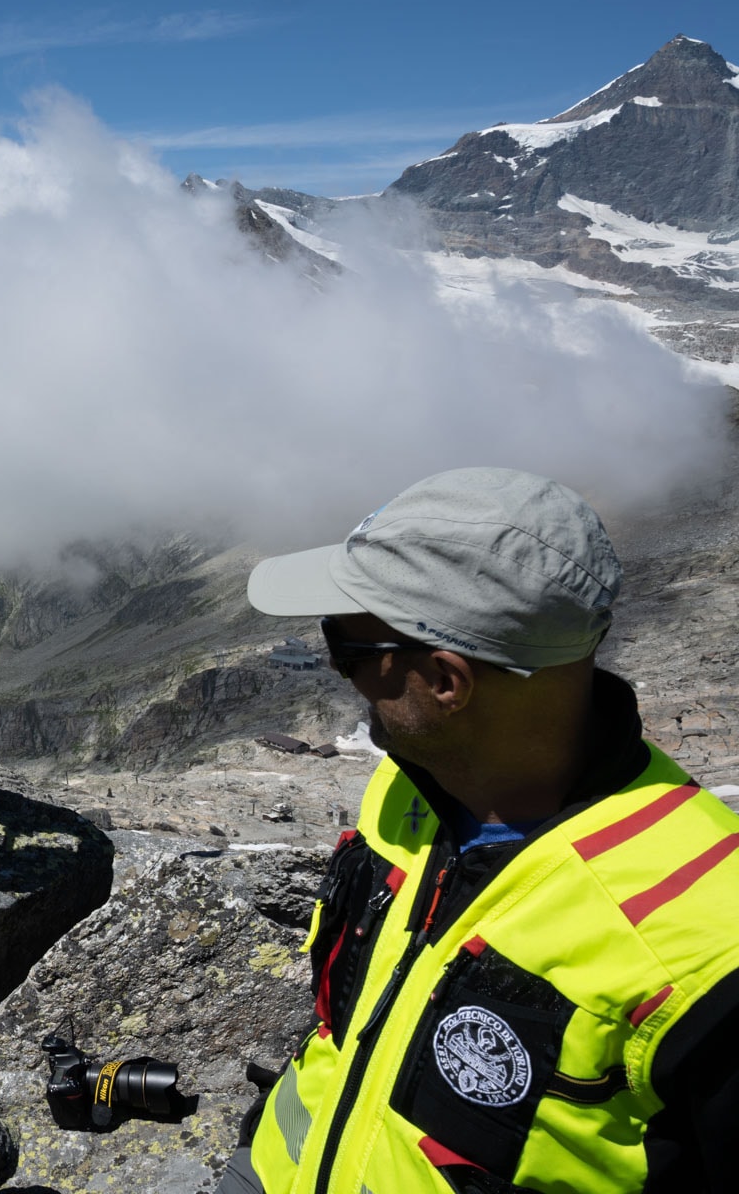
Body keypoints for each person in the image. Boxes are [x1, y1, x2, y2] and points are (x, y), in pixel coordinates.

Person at [221, 467, 739, 1193]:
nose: (340, 673)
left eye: (346, 647)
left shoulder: (706, 942)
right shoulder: (405, 788)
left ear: (445, 681)